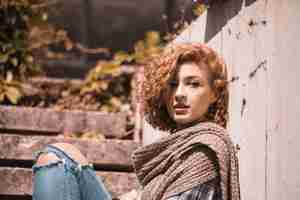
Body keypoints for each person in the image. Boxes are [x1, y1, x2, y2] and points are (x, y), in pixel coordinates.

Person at [32, 43, 240, 200]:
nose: (179, 94)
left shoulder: (204, 149)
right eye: (173, 84)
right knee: (60, 155)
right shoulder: (179, 146)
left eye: (193, 84)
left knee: (56, 160)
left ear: (214, 93)